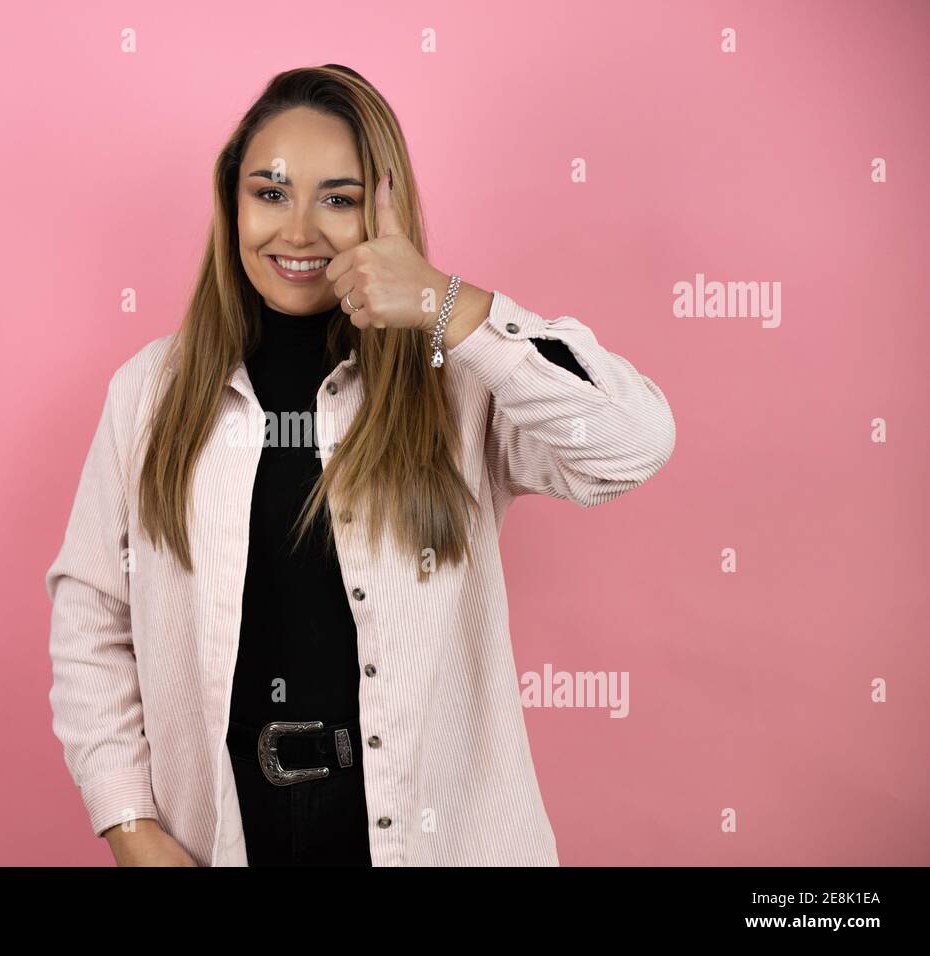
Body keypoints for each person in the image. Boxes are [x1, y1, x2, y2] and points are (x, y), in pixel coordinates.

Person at [45, 64, 676, 867]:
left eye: (337, 199)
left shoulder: (458, 384)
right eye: (270, 193)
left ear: (386, 211)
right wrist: (129, 822)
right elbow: (91, 616)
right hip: (228, 841)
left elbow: (633, 443)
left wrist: (450, 304)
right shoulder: (149, 393)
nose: (298, 230)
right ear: (232, 203)